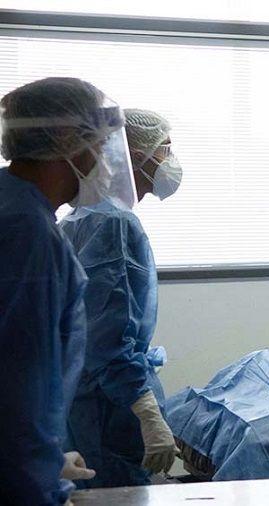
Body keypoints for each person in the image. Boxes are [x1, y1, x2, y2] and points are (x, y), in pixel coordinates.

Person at [0, 77, 136, 505]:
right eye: (100, 143)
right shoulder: (28, 233)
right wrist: (35, 480)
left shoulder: (12, 205)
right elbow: (19, 377)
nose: (105, 159)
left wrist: (47, 459)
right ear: (66, 141)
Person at [60, 109, 181, 488]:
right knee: (116, 491)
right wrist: (146, 410)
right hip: (108, 406)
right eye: (165, 149)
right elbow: (107, 338)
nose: (170, 160)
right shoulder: (113, 223)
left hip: (88, 397)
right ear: (136, 156)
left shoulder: (78, 218)